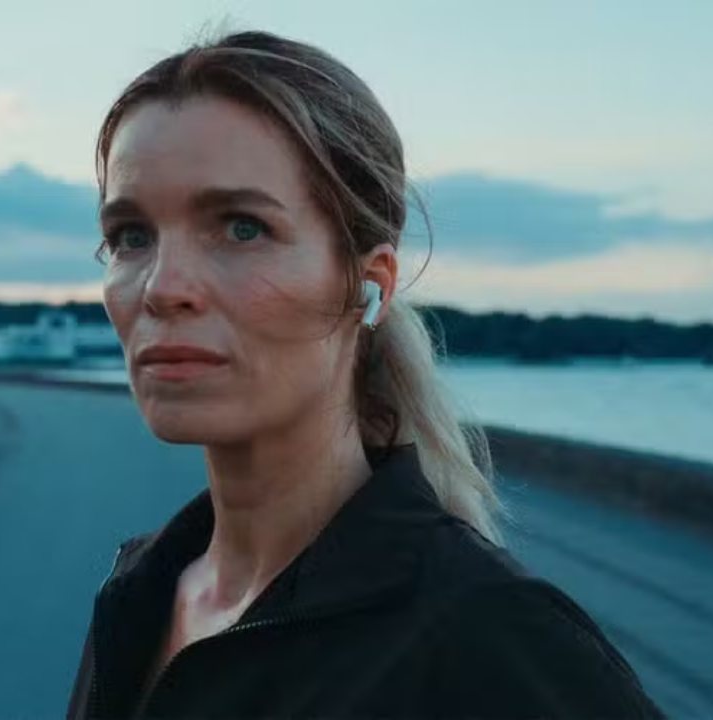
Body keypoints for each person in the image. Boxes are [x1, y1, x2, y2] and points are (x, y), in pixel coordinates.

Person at [66, 29, 664, 720]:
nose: (163, 287)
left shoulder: (492, 639)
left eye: (241, 228)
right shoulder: (141, 594)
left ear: (368, 283)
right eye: (131, 236)